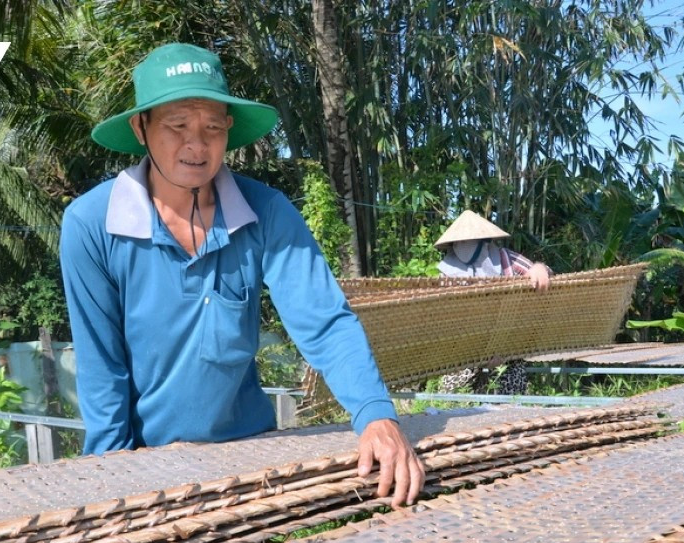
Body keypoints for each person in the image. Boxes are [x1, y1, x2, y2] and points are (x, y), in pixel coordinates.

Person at [60, 43, 424, 506]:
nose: (197, 145)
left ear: (228, 130)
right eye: (177, 126)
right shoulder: (93, 224)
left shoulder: (265, 211)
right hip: (146, 462)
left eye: (213, 127)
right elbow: (101, 365)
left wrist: (375, 415)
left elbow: (324, 319)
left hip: (250, 461)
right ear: (141, 127)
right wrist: (114, 478)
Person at [434, 210, 554, 395]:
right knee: (452, 396)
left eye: (470, 241)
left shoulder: (506, 260)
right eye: (460, 242)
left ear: (485, 241)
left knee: (510, 393)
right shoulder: (448, 273)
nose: (464, 246)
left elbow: (544, 274)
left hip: (508, 348)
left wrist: (540, 269)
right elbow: (446, 322)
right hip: (463, 352)